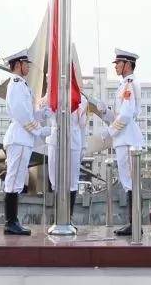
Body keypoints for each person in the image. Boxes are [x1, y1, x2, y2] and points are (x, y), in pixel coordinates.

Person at [2, 49, 51, 235]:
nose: (28, 67)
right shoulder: (15, 84)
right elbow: (20, 113)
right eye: (26, 64)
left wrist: (41, 113)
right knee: (14, 179)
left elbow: (28, 112)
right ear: (18, 65)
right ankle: (10, 222)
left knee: (17, 178)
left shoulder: (22, 85)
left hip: (23, 138)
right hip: (19, 137)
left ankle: (13, 221)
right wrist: (39, 130)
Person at [95, 49, 144, 236]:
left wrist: (109, 132)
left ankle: (135, 224)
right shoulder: (123, 85)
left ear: (128, 64)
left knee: (130, 182)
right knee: (127, 182)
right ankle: (134, 223)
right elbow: (117, 115)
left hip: (128, 139)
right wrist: (104, 111)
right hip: (123, 139)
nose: (115, 66)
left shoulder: (129, 84)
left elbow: (126, 114)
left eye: (118, 63)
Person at [40, 90, 88, 223]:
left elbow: (83, 125)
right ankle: (58, 217)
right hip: (55, 139)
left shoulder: (81, 98)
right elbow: (42, 112)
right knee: (55, 180)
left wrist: (84, 145)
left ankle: (69, 217)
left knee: (72, 182)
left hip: (73, 141)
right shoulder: (51, 94)